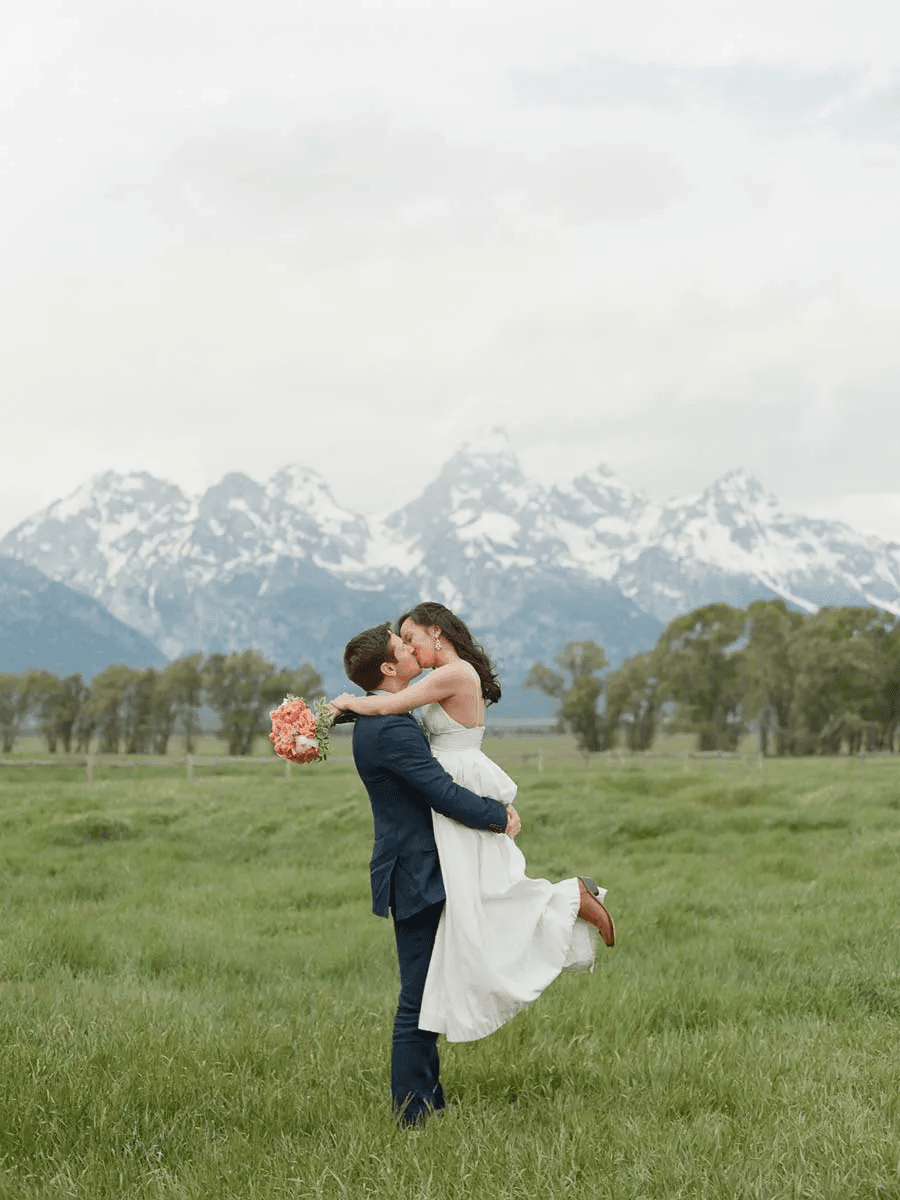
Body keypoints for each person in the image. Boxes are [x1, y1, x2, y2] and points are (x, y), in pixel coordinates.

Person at [333, 602, 614, 1053]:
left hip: (457, 787)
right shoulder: (430, 685)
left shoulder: (452, 674)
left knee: (490, 896)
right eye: (402, 642)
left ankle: (568, 897)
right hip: (449, 794)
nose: (409, 646)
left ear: (437, 632)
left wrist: (342, 705)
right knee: (483, 899)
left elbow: (394, 706)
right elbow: (392, 710)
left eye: (412, 637)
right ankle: (569, 898)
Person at [341, 621, 519, 1127]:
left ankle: (430, 1099)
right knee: (417, 997)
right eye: (403, 647)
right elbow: (438, 789)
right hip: (417, 869)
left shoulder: (385, 717)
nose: (414, 649)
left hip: (423, 864)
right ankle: (412, 1115)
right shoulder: (392, 727)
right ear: (390, 669)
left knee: (430, 988)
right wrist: (496, 814)